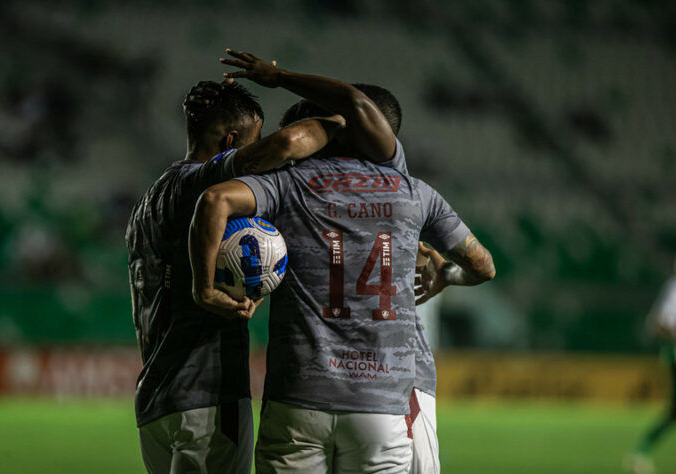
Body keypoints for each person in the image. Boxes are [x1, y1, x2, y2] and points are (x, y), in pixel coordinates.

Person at [190, 50, 496, 473]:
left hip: (299, 395)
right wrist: (445, 272)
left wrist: (214, 286)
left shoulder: (288, 187)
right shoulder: (411, 189)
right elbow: (484, 266)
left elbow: (215, 200)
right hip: (386, 399)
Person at [126, 79, 345, 474]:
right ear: (231, 141)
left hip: (156, 399)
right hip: (207, 396)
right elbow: (285, 145)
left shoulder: (147, 204)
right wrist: (351, 116)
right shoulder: (199, 183)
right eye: (250, 143)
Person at [625, 256, 676, 474]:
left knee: (675, 411)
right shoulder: (675, 290)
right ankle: (640, 451)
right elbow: (658, 322)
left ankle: (640, 451)